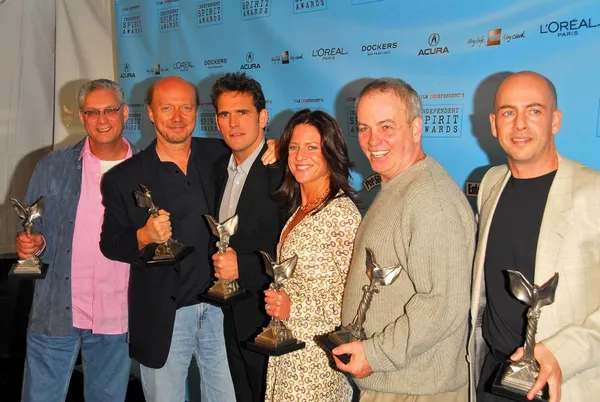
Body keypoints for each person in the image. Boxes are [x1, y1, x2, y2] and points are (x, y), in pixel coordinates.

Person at [334, 78, 475, 402]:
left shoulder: (431, 201)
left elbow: (443, 305)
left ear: (415, 129)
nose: (372, 140)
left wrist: (377, 354)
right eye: (365, 128)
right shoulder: (399, 185)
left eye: (387, 126)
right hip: (394, 384)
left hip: (418, 391)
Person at [99, 76, 237, 402]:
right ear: (149, 112)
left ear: (196, 111)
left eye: (185, 107)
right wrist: (144, 235)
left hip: (222, 309)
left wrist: (270, 149)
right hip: (164, 317)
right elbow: (111, 243)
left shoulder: (223, 155)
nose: (177, 117)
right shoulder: (123, 178)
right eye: (167, 108)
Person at [469, 71, 600, 402]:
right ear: (494, 124)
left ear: (555, 120)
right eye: (508, 112)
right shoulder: (490, 185)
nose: (520, 124)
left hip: (563, 385)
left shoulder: (593, 192)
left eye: (534, 111)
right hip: (494, 380)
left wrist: (564, 353)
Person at [17, 79, 134, 401]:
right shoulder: (52, 166)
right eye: (92, 112)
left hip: (118, 314)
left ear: (124, 113)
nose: (102, 119)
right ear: (81, 118)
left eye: (110, 110)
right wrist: (32, 244)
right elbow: (33, 228)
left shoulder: (146, 169)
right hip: (56, 310)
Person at [263, 108, 361, 402]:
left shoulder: (341, 215)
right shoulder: (301, 208)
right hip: (288, 352)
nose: (299, 156)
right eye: (293, 147)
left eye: (311, 147)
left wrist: (294, 308)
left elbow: (354, 304)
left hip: (318, 364)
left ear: (331, 152)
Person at [209, 72, 287, 402]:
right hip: (224, 317)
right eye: (225, 114)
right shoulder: (214, 166)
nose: (234, 123)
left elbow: (295, 247)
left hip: (267, 316)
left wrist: (243, 267)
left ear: (263, 117)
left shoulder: (286, 170)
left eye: (243, 112)